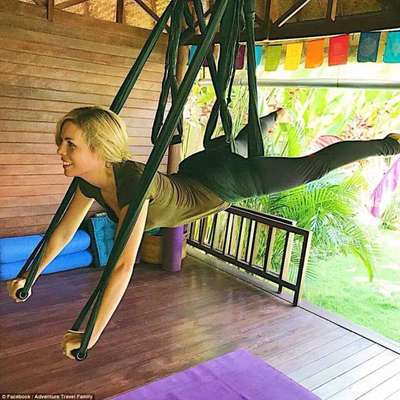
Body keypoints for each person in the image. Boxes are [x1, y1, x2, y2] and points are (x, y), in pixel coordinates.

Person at [6, 106, 400, 359]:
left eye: (69, 144)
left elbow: (123, 265)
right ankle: (271, 118)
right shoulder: (88, 181)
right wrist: (31, 273)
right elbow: (62, 233)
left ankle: (389, 145)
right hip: (195, 170)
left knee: (310, 167)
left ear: (99, 148)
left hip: (225, 183)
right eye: (61, 143)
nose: (60, 151)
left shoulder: (132, 184)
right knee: (236, 145)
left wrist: (93, 332)